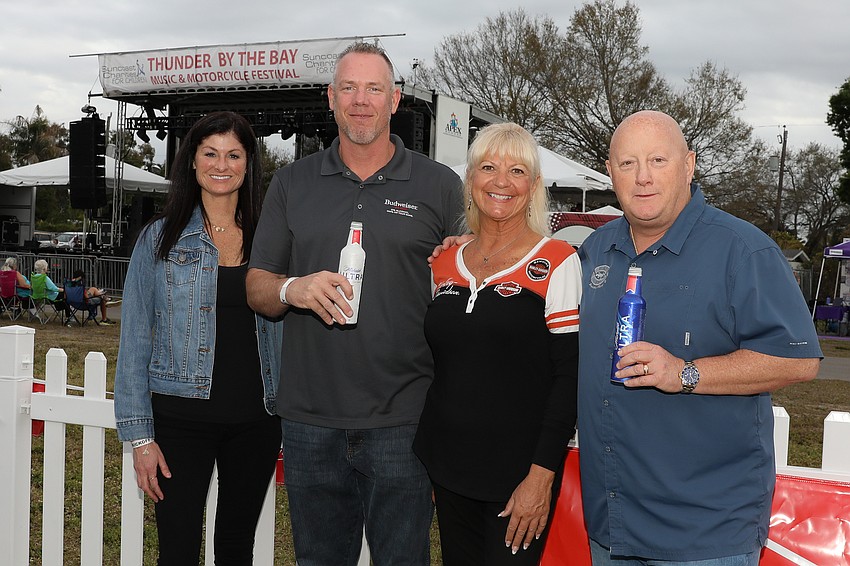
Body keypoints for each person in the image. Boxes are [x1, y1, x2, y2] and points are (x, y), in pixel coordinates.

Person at [246, 42, 463, 565]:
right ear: (330, 98)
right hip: (309, 420)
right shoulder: (292, 182)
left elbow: (469, 282)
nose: (360, 100)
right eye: (349, 88)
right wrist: (290, 289)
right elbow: (256, 286)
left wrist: (459, 258)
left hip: (403, 420)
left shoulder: (440, 185)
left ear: (395, 100)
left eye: (374, 88)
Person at [577, 110, 822, 565]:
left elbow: (798, 361)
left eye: (658, 160)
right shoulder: (596, 249)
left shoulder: (742, 250)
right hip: (613, 524)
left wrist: (684, 372)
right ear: (610, 172)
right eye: (627, 163)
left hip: (705, 532)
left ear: (688, 165)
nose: (643, 177)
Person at [113, 111, 283, 565]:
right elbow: (134, 342)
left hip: (257, 421)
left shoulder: (273, 240)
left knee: (235, 548)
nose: (221, 165)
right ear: (192, 161)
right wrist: (140, 438)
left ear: (249, 164)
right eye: (210, 153)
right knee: (177, 548)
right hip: (178, 421)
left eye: (233, 154)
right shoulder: (158, 239)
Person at [412, 123, 581, 565]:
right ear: (471, 180)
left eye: (517, 170)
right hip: (448, 469)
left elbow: (569, 379)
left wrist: (541, 476)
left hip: (519, 477)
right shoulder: (444, 261)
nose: (501, 181)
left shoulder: (558, 261)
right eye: (488, 167)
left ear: (534, 185)